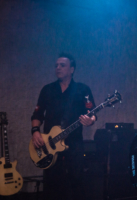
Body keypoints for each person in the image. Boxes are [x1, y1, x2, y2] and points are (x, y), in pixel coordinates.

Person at [31, 53, 97, 200]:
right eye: (56, 65)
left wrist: (90, 120)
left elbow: (92, 113)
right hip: (50, 145)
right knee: (52, 184)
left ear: (72, 69)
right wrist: (35, 132)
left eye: (62, 65)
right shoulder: (47, 90)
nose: (58, 68)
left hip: (74, 144)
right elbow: (37, 115)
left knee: (77, 181)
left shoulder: (82, 90)